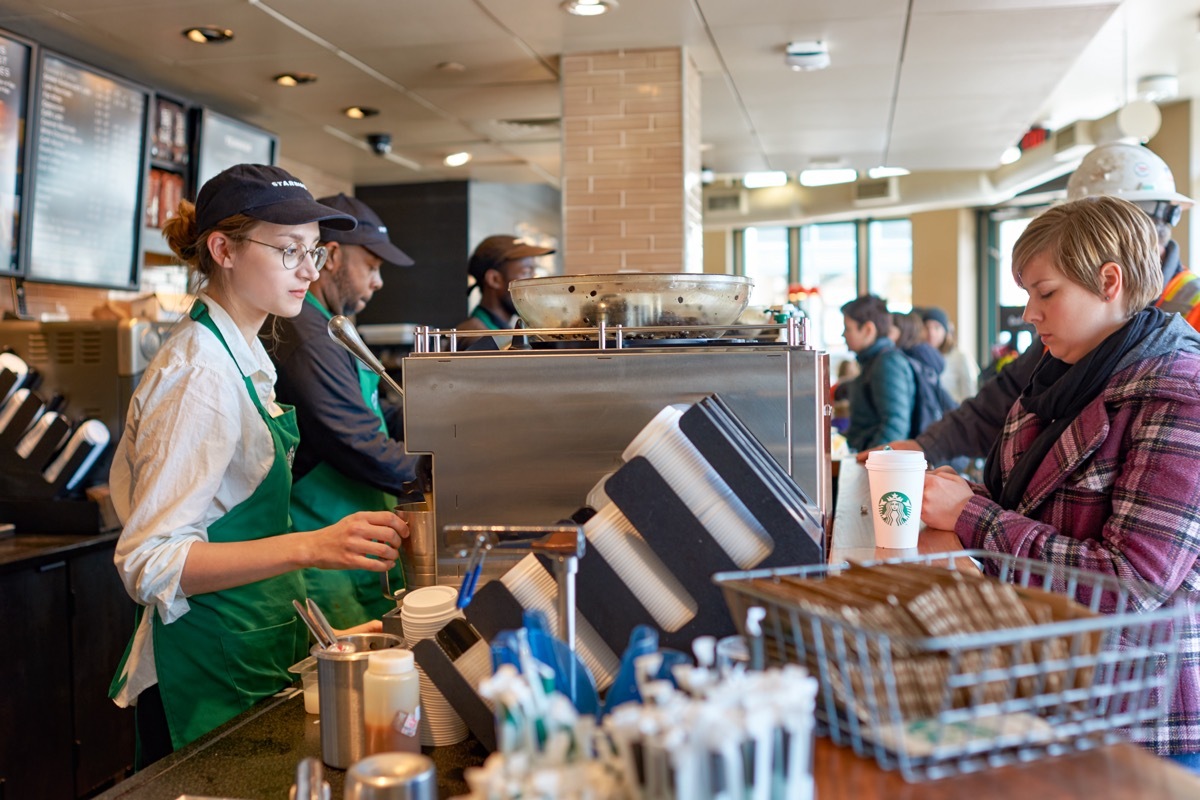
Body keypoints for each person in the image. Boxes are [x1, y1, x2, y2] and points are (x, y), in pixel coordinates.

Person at [108, 165, 409, 766]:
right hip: (207, 663)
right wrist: (314, 546)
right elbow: (150, 562)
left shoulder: (244, 353)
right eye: (288, 250)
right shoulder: (198, 374)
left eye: (315, 251)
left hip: (253, 642)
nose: (310, 269)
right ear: (223, 249)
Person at [921, 195, 1200, 766]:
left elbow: (1132, 583)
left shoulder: (1180, 392)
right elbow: (1034, 511)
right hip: (1059, 688)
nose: (1029, 314)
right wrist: (967, 496)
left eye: (1045, 293)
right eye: (1027, 294)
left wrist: (970, 515)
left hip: (1140, 719)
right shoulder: (1066, 380)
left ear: (1109, 281)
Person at [860, 143, 1200, 466]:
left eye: (1047, 293)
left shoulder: (1186, 343)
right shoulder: (1076, 323)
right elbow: (1008, 395)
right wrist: (926, 447)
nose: (1031, 314)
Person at [268, 193, 428, 629]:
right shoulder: (308, 338)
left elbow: (376, 411)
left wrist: (441, 422)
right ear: (333, 257)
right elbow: (356, 441)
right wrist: (441, 473)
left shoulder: (331, 326)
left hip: (354, 546)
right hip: (323, 558)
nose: (378, 283)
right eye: (372, 267)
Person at [840, 295, 915, 451]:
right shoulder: (874, 361)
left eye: (848, 328)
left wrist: (870, 461)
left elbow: (895, 427)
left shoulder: (887, 363)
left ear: (868, 329)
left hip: (877, 468)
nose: (843, 335)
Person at [456, 234, 555, 346]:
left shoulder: (498, 331)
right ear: (494, 280)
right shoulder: (478, 337)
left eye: (534, 273)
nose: (534, 282)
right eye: (526, 272)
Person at [921, 306, 979, 404]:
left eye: (936, 327)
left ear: (946, 331)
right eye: (927, 328)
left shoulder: (960, 357)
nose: (931, 333)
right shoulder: (920, 358)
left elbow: (970, 394)